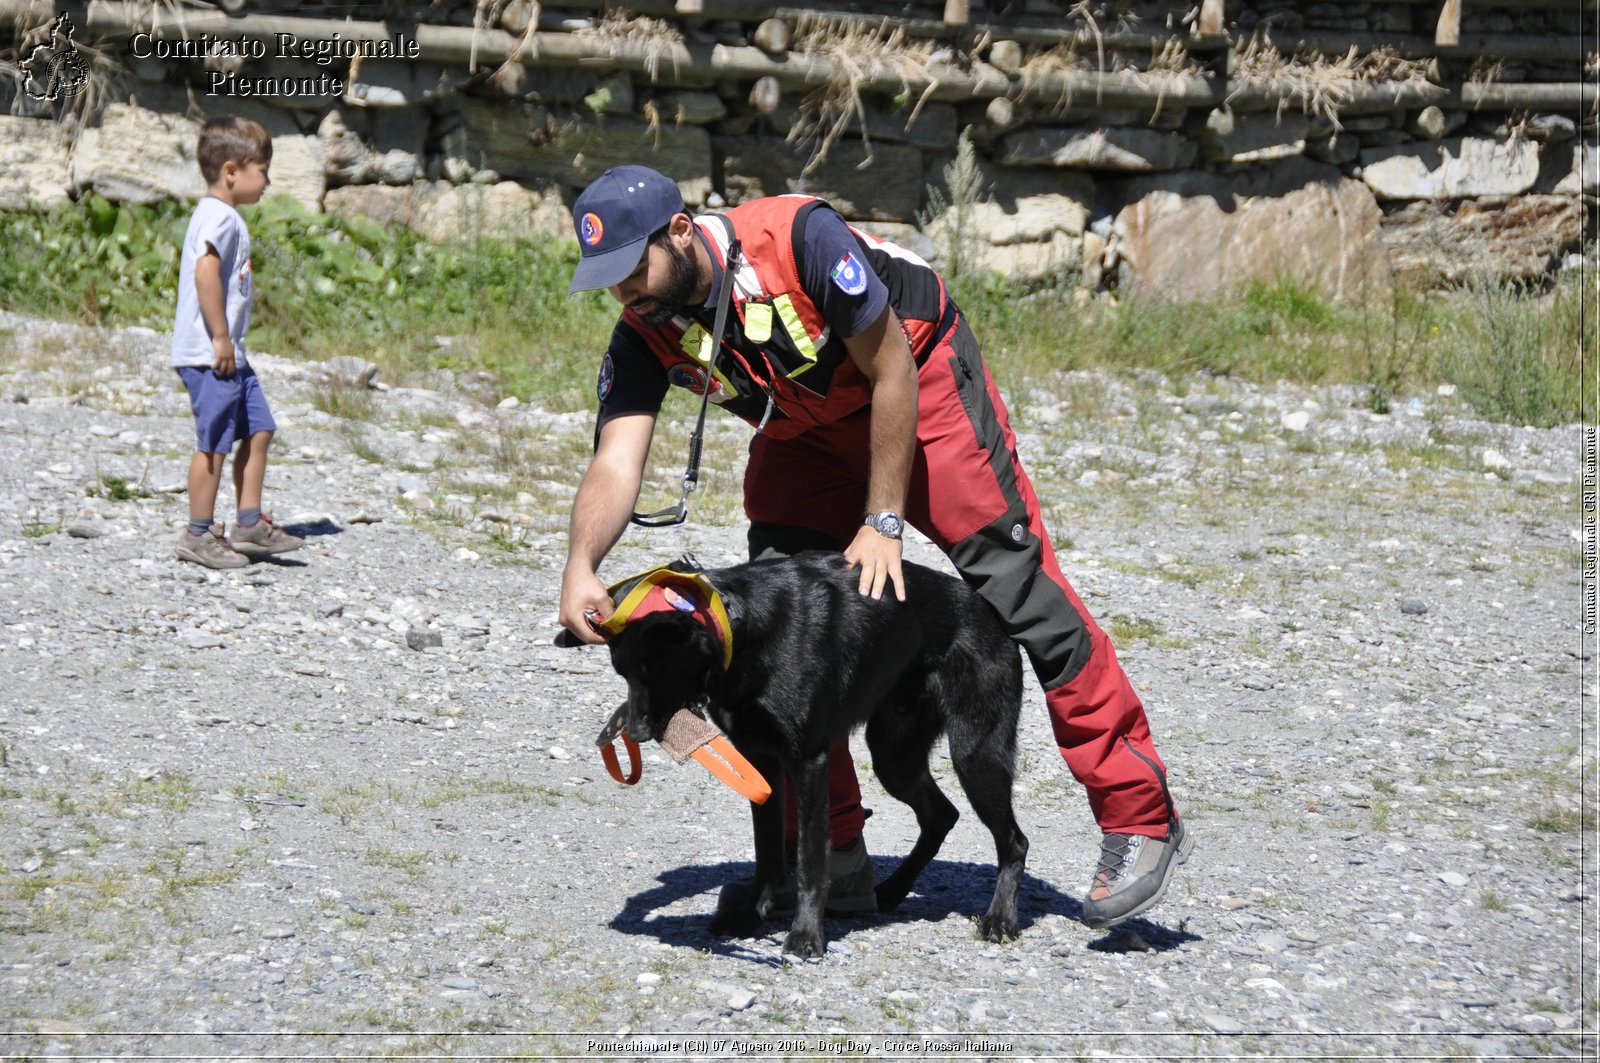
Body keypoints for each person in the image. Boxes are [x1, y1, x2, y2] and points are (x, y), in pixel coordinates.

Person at [557, 165, 1193, 930]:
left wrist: (884, 519)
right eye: (610, 280)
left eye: (634, 269)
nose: (627, 293)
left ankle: (1138, 813)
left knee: (1018, 587)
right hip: (806, 430)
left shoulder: (798, 239)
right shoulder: (646, 326)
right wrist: (581, 565)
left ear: (681, 231)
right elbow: (617, 459)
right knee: (782, 615)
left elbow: (891, 365)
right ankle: (833, 857)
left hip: (915, 381)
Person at [170, 116, 303, 569]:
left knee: (260, 428)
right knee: (214, 444)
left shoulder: (225, 216)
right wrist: (221, 338)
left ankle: (248, 523)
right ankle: (198, 534)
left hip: (229, 356)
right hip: (212, 355)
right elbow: (205, 273)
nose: (267, 180)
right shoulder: (219, 218)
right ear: (232, 171)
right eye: (262, 170)